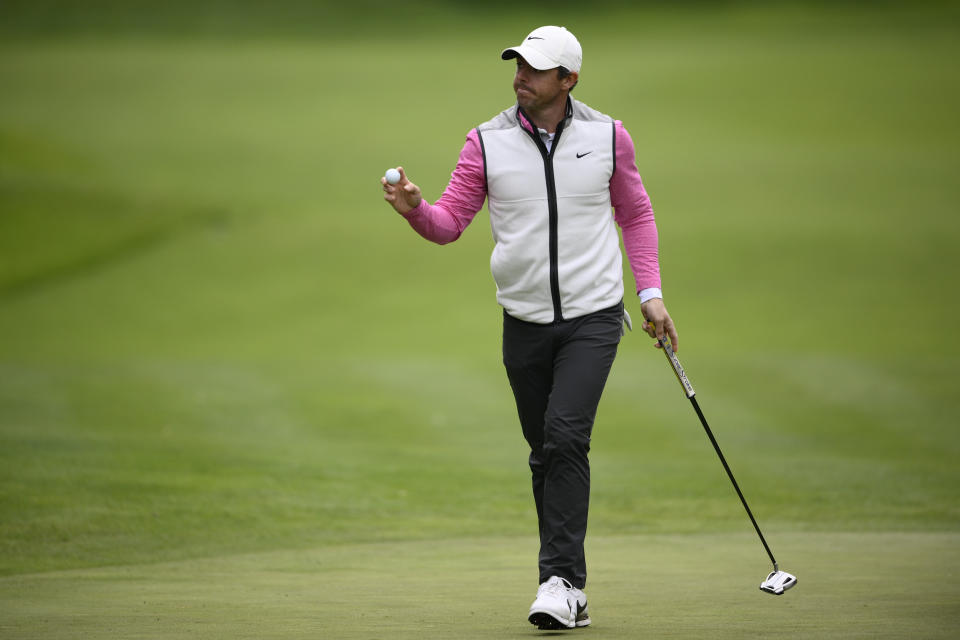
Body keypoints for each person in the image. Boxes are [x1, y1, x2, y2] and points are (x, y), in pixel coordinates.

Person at [381, 25, 679, 630]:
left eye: (536, 69)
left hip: (593, 317)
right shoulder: (486, 142)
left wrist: (649, 293)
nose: (521, 76)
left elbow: (636, 213)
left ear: (568, 80)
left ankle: (561, 582)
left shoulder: (607, 137)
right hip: (523, 322)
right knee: (544, 451)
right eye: (518, 65)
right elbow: (448, 224)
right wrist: (415, 209)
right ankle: (566, 585)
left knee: (567, 435)